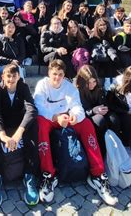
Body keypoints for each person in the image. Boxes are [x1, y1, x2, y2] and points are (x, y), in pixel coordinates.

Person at [33, 59, 117, 205]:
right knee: (40, 124)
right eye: (54, 74)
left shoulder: (69, 86)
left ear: (64, 74)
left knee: (86, 124)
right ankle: (48, 175)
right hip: (50, 118)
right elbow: (39, 106)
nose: (57, 78)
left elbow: (77, 106)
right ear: (49, 73)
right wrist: (56, 117)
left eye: (60, 74)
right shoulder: (43, 84)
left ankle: (98, 174)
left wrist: (75, 116)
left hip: (66, 117)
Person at [0, 64, 40, 207]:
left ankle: (29, 175)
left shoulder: (23, 87)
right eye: (8, 76)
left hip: (18, 125)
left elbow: (31, 110)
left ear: (18, 77)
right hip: (3, 125)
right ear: (3, 77)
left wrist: (19, 132)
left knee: (34, 123)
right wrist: (2, 134)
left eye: (14, 76)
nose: (11, 79)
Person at [75, 65, 119, 156]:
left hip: (98, 111)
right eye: (89, 82)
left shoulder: (98, 88)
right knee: (100, 121)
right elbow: (80, 111)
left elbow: (103, 102)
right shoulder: (77, 90)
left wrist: (104, 107)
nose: (92, 85)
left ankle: (114, 147)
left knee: (114, 119)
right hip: (85, 116)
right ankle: (101, 149)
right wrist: (94, 111)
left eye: (94, 81)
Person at [88, 18, 119, 86]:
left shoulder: (110, 35)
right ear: (97, 26)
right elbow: (90, 49)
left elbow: (114, 47)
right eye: (100, 25)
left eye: (104, 25)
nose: (103, 27)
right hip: (99, 62)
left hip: (110, 62)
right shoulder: (93, 36)